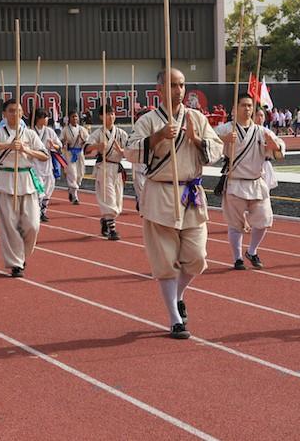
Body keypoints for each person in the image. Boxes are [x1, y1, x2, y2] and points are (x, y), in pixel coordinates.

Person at [125, 69, 223, 339]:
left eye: (181, 85)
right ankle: (174, 318)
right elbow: (131, 152)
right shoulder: (147, 121)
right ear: (159, 90)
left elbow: (216, 151)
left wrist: (196, 139)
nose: (178, 90)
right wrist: (157, 137)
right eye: (172, 85)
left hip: (191, 194)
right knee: (166, 261)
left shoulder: (196, 118)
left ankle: (178, 294)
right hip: (160, 193)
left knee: (197, 258)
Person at [0, 99, 48, 277]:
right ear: (4, 114)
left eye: (18, 111)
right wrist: (7, 146)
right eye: (11, 111)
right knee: (10, 225)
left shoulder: (30, 134)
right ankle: (16, 264)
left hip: (26, 179)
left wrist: (26, 150)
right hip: (6, 180)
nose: (15, 114)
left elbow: (44, 155)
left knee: (32, 225)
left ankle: (22, 255)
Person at [216, 94, 283, 270]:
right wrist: (222, 141)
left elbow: (279, 149)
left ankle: (252, 251)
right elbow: (207, 144)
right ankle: (237, 257)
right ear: (235, 108)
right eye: (243, 105)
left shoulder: (261, 131)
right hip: (235, 182)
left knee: (264, 219)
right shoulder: (225, 129)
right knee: (235, 223)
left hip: (256, 182)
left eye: (249, 106)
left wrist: (275, 147)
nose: (247, 109)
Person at [85, 104, 129, 240]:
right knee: (108, 198)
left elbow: (130, 150)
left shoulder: (121, 133)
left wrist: (123, 152)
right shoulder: (97, 133)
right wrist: (97, 146)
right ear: (101, 117)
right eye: (107, 114)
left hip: (116, 169)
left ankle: (105, 220)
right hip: (104, 167)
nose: (110, 117)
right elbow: (86, 148)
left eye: (112, 114)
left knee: (117, 202)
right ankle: (112, 230)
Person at [32, 108, 62, 222]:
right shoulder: (31, 131)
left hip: (47, 164)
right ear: (38, 118)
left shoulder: (49, 131)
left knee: (49, 189)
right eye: (44, 117)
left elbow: (59, 146)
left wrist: (54, 145)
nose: (46, 119)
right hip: (34, 164)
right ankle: (37, 212)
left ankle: (43, 211)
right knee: (39, 190)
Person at [60, 110, 89, 205]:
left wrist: (83, 140)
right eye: (73, 117)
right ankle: (75, 196)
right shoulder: (65, 129)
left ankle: (71, 190)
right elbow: (60, 141)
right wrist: (64, 143)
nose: (75, 118)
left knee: (80, 174)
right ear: (69, 118)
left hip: (79, 153)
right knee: (73, 174)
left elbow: (88, 142)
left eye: (76, 117)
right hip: (69, 153)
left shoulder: (82, 129)